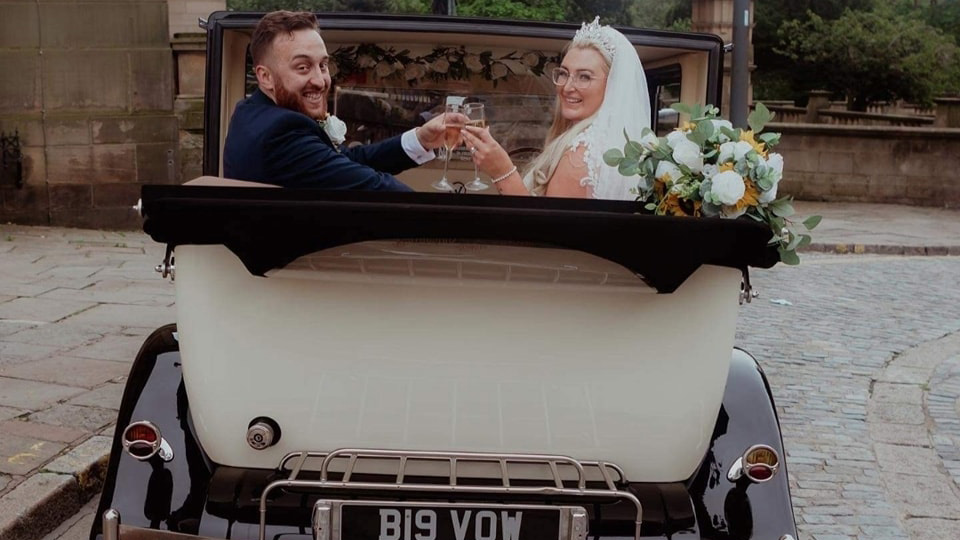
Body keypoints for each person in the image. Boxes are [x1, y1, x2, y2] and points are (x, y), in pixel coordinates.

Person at [223, 11, 455, 190]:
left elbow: (346, 160)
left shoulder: (250, 111)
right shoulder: (280, 132)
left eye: (323, 65)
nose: (320, 80)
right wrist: (448, 218)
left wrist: (421, 139)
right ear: (265, 77)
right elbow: (372, 187)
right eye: (302, 67)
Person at [461, 18, 651, 199]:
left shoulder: (580, 157)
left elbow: (541, 229)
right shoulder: (613, 143)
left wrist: (502, 171)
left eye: (584, 77)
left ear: (613, 86)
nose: (567, 87)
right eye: (564, 74)